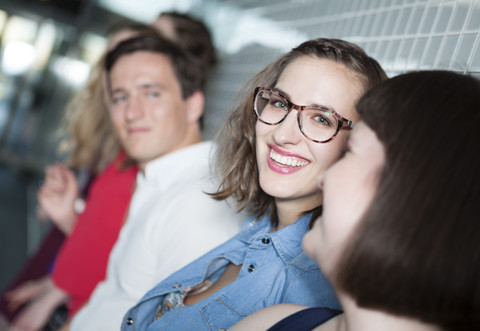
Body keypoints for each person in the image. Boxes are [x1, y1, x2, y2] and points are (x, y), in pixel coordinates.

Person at [121, 38, 387, 330]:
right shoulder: (258, 227)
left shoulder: (314, 293)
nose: (283, 134)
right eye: (280, 103)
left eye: (321, 119)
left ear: (359, 145)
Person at [230, 70, 480, 331]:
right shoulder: (275, 320)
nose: (324, 179)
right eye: (279, 103)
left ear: (410, 200)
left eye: (350, 151)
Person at [65, 34, 243, 331]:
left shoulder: (197, 202)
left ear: (193, 106)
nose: (132, 113)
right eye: (121, 97)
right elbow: (115, 300)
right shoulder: (161, 178)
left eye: (151, 93)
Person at [3, 22, 158, 331]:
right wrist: (63, 203)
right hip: (61, 264)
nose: (118, 68)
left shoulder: (141, 150)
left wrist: (67, 216)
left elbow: (120, 251)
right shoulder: (105, 130)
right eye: (112, 57)